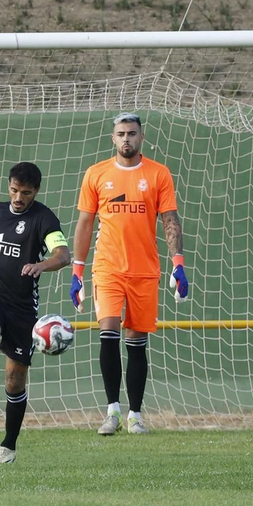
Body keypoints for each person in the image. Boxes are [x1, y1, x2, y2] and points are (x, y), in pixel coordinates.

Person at [70, 113, 187, 436]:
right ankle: (112, 412)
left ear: (141, 137)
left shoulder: (158, 174)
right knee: (107, 332)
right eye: (120, 133)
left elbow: (170, 219)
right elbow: (84, 223)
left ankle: (136, 414)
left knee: (136, 342)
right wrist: (77, 272)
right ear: (113, 138)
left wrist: (178, 264)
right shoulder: (96, 174)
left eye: (132, 133)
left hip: (145, 270)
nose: (126, 139)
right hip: (107, 268)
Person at [0, 163, 71, 465]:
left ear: (35, 192)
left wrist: (41, 265)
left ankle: (8, 447)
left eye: (25, 193)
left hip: (23, 308)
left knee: (14, 383)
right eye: (14, 190)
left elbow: (63, 255)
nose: (18, 198)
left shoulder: (43, 219)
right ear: (9, 186)